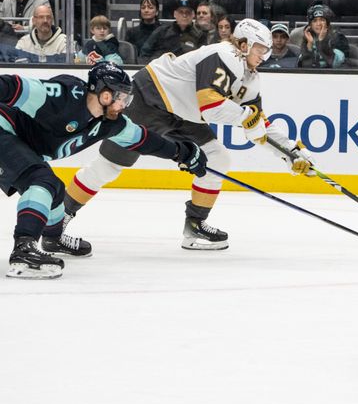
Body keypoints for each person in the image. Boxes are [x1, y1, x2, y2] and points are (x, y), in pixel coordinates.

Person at [61, 19, 315, 254]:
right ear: (244, 43)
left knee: (218, 158)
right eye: (260, 49)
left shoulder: (250, 77)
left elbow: (258, 122)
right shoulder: (225, 54)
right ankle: (57, 220)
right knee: (109, 166)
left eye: (267, 50)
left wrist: (290, 152)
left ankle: (195, 225)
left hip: (184, 115)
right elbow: (211, 105)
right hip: (151, 99)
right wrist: (244, 116)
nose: (264, 56)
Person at [0, 62, 207, 279]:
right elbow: (11, 86)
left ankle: (53, 239)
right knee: (42, 182)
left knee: (56, 191)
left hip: (16, 141)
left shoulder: (110, 123)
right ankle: (24, 249)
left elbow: (143, 140)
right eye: (121, 98)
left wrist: (182, 152)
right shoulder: (63, 95)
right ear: (105, 94)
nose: (124, 105)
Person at [139, 0, 207, 63]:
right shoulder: (161, 31)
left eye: (187, 12)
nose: (184, 15)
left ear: (193, 15)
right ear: (175, 14)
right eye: (181, 12)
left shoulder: (200, 35)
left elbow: (204, 59)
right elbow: (145, 53)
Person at [298, 4, 349, 69]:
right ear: (310, 25)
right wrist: (309, 46)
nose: (318, 24)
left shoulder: (339, 38)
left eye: (322, 20)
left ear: (327, 23)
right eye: (315, 21)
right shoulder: (307, 38)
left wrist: (322, 42)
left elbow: (335, 64)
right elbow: (303, 66)